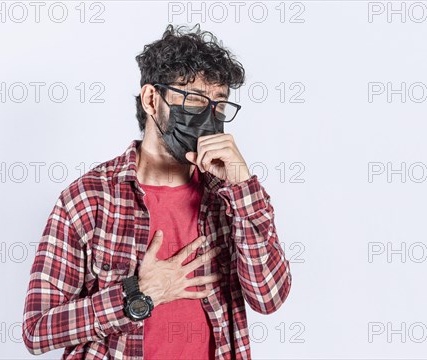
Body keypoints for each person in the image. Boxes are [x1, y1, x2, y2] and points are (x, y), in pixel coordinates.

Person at [21, 23, 292, 360]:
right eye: (193, 99)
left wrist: (242, 187)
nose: (208, 116)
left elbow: (269, 297)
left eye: (218, 105)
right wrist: (137, 295)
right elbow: (37, 331)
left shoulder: (231, 196)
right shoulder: (89, 199)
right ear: (152, 98)